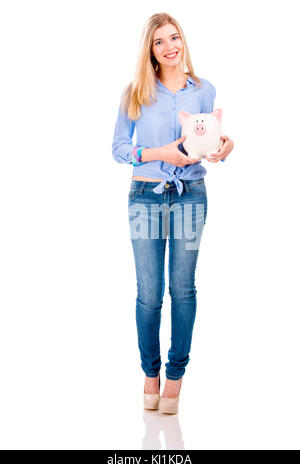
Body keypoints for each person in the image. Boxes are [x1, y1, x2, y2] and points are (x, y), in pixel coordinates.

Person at [112, 12, 234, 414]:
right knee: (149, 295)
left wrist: (223, 146)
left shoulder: (204, 90)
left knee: (182, 289)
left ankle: (175, 378)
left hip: (189, 196)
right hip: (145, 195)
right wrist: (157, 154)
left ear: (183, 41)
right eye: (160, 41)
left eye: (174, 37)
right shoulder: (136, 92)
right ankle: (150, 373)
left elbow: (206, 140)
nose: (169, 47)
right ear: (150, 49)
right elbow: (119, 149)